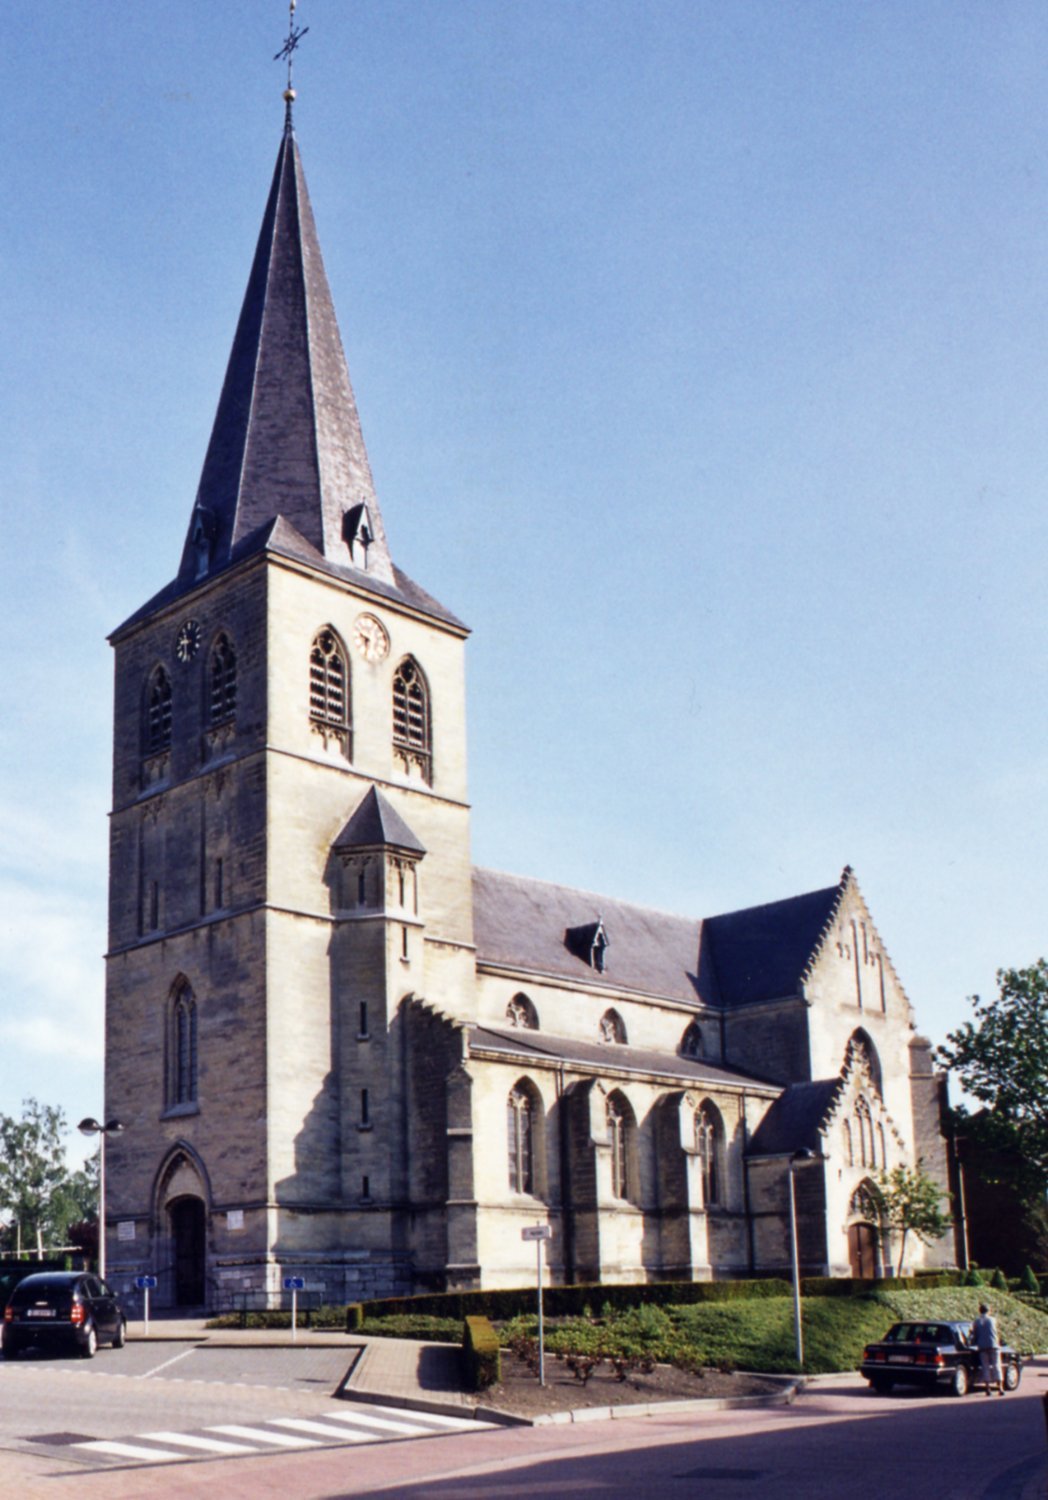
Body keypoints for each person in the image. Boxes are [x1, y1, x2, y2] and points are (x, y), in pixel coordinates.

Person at [971, 1304, 1003, 1396]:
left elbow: (975, 1335)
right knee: (996, 1366)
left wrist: (973, 1342)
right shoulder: (993, 1320)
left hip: (982, 1347)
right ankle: (1000, 1388)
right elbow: (996, 1332)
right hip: (994, 1345)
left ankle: (988, 1389)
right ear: (988, 1311)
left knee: (985, 1367)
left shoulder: (976, 1321)